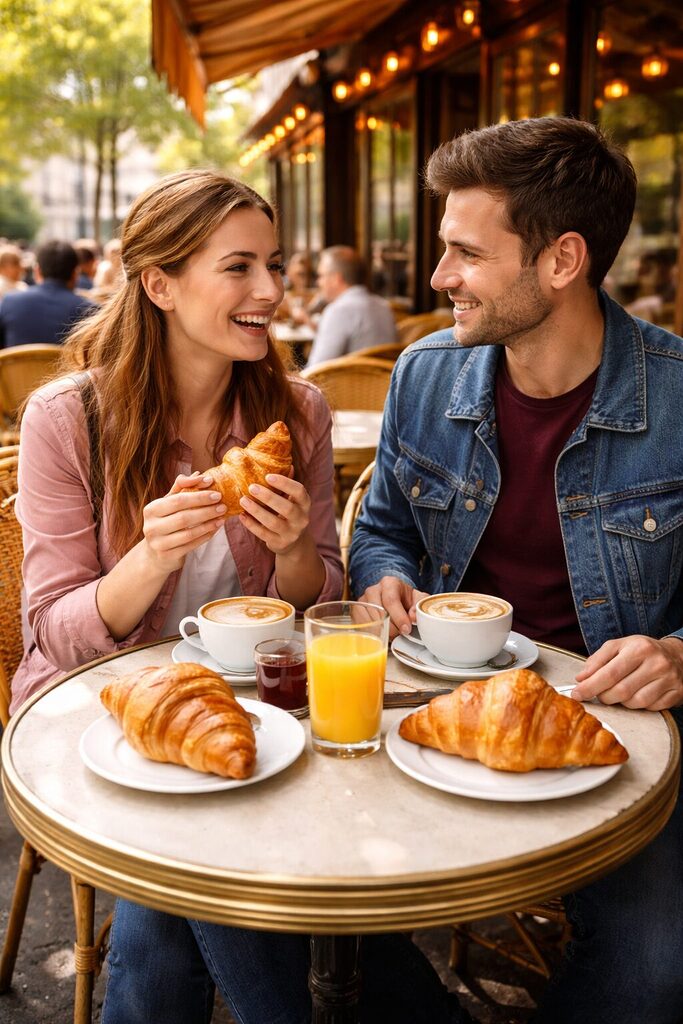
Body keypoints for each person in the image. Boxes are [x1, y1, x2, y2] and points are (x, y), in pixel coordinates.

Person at [12, 169, 463, 1024]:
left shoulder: (295, 412)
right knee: (193, 890)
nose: (269, 291)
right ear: (159, 284)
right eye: (238, 267)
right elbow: (58, 637)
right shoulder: (67, 420)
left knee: (162, 922)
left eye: (276, 265)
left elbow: (321, 603)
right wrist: (148, 559)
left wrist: (296, 546)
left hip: (261, 711)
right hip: (100, 714)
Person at [350, 116, 683, 1024]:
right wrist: (380, 575)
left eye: (464, 252)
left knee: (657, 967)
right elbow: (381, 527)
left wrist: (678, 655)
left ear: (561, 261)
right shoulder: (423, 374)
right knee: (329, 894)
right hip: (433, 711)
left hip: (614, 738)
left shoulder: (677, 395)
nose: (436, 277)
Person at [305, 245, 397, 366]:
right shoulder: (384, 306)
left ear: (336, 279)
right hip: (385, 382)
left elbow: (315, 368)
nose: (318, 282)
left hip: (345, 384)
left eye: (321, 276)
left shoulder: (337, 311)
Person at [0, 239, 95, 347]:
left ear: (37, 271)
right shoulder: (90, 312)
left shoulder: (9, 302)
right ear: (75, 273)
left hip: (15, 364)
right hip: (66, 364)